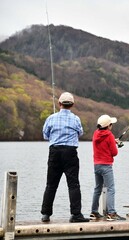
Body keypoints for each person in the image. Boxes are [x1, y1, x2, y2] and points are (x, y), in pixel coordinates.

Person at [41, 92, 89, 223]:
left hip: (54, 152)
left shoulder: (51, 118)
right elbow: (80, 133)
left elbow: (45, 135)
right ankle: (76, 214)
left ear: (59, 104)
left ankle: (46, 214)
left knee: (51, 184)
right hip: (70, 153)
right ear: (72, 105)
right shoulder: (76, 119)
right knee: (73, 185)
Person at [90, 114, 125, 221]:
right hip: (106, 166)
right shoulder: (109, 135)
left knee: (97, 188)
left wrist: (112, 141)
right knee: (111, 189)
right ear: (109, 126)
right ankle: (111, 213)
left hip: (96, 165)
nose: (112, 126)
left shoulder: (96, 134)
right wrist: (115, 144)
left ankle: (94, 212)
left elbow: (102, 141)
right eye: (111, 124)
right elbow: (114, 153)